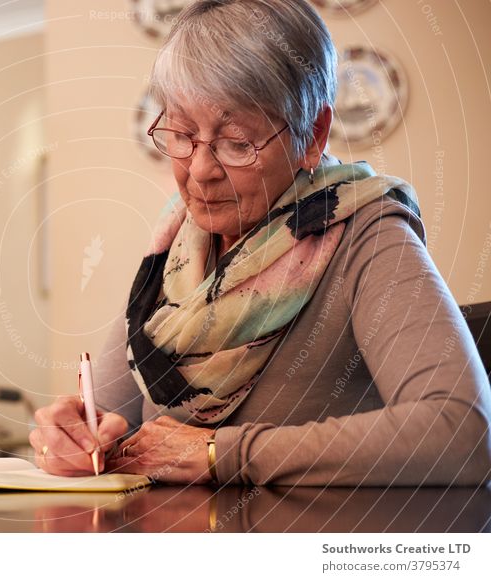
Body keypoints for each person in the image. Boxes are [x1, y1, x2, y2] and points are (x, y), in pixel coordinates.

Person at [29, 0, 491, 486]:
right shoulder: (176, 249)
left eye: (236, 142)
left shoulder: (366, 233)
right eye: (182, 133)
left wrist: (220, 453)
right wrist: (72, 439)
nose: (201, 170)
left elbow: (464, 429)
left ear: (312, 135)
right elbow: (106, 416)